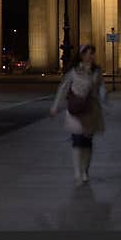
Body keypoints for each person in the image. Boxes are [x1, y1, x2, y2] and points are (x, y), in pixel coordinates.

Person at [50, 44, 108, 185]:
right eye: (88, 53)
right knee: (77, 140)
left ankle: (84, 171)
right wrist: (55, 106)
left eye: (92, 53)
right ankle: (77, 172)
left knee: (87, 143)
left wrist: (104, 97)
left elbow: (101, 87)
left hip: (91, 109)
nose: (90, 56)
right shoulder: (73, 71)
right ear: (82, 55)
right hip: (76, 110)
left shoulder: (96, 71)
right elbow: (63, 88)